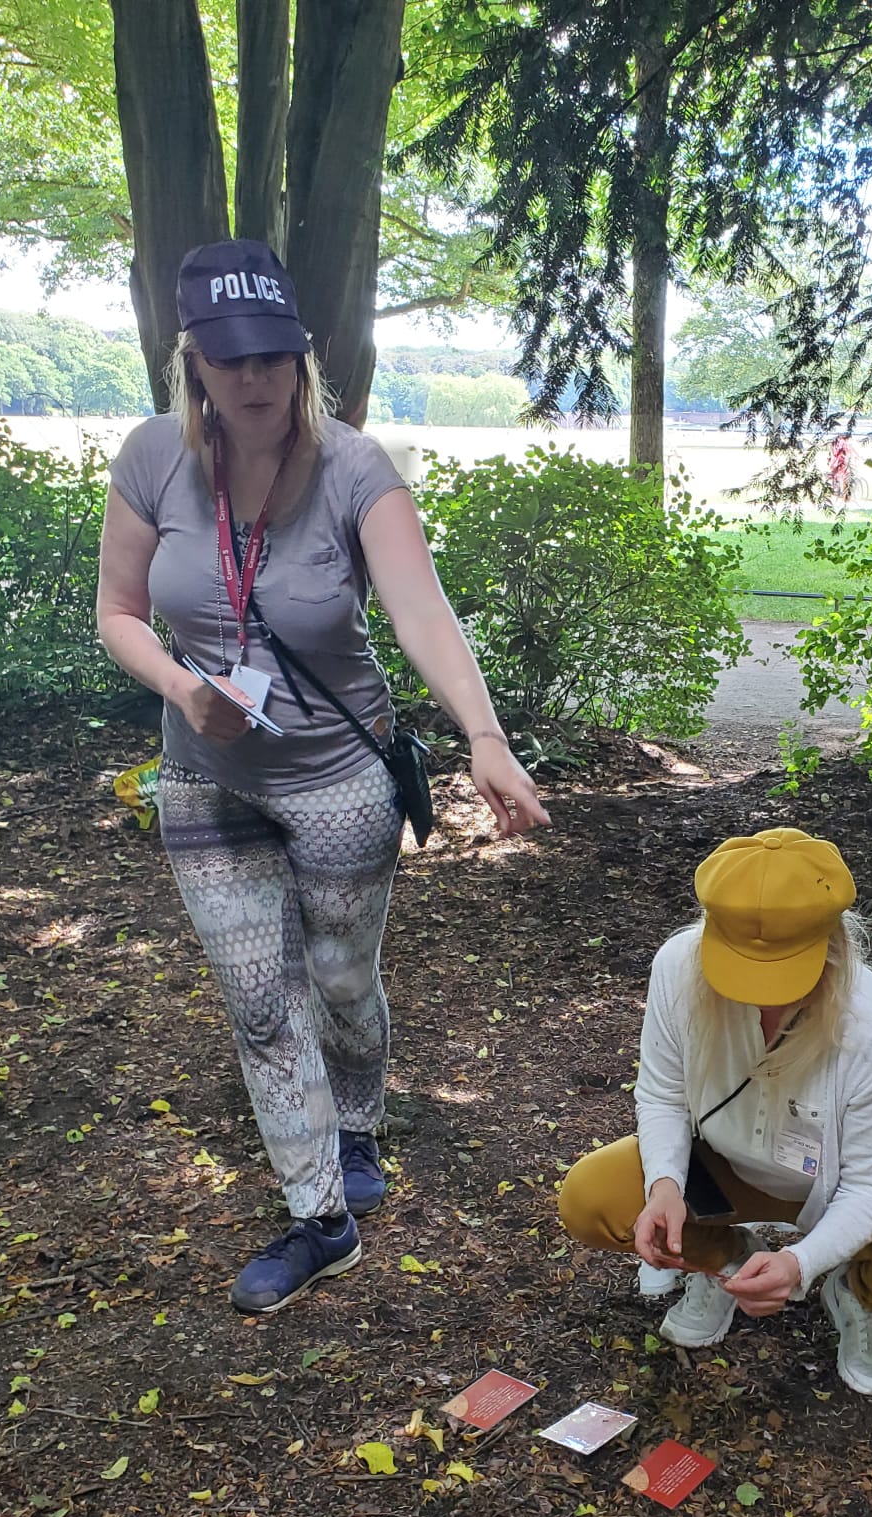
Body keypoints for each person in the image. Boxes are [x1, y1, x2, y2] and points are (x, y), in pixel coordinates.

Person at [96, 238, 548, 1315]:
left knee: (343, 983)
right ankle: (319, 1216)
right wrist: (177, 682)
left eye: (273, 357)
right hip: (205, 778)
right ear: (191, 359)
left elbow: (419, 609)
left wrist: (483, 735)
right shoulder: (152, 457)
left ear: (303, 355)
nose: (252, 382)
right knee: (259, 998)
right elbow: (117, 610)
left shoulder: (355, 466)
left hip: (339, 776)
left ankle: (355, 1120)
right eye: (228, 359)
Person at [558, 830, 872, 1396]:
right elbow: (664, 1094)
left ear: (833, 943)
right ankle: (725, 1260)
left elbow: (871, 1183)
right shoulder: (677, 966)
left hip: (839, 1180)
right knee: (593, 1200)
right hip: (722, 1166)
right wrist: (666, 1184)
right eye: (742, 970)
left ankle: (858, 1293)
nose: (762, 998)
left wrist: (803, 1263)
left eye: (783, 974)